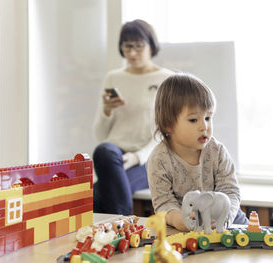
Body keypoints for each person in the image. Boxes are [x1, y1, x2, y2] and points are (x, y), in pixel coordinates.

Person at [147, 73, 248, 231]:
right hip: (189, 225)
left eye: (208, 118)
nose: (204, 126)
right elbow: (163, 202)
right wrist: (177, 219)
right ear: (168, 125)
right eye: (193, 120)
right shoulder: (159, 159)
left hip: (229, 217)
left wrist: (224, 218)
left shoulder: (217, 151)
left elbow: (230, 191)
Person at [93, 19, 173, 215]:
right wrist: (107, 111)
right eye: (127, 47)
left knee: (98, 194)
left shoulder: (167, 79)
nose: (132, 53)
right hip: (115, 155)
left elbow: (168, 131)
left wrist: (138, 157)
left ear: (151, 45)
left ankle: (118, 230)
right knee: (103, 150)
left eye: (139, 46)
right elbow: (101, 134)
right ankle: (125, 229)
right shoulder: (113, 78)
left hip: (149, 157)